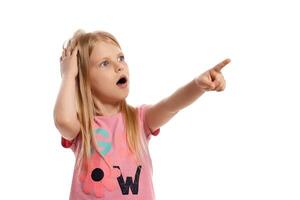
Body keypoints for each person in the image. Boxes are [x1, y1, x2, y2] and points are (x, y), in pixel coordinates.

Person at [53, 29, 231, 200]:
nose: (119, 66)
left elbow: (171, 105)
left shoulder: (139, 119)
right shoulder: (83, 126)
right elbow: (63, 120)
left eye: (121, 58)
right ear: (83, 78)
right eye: (105, 63)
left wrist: (197, 86)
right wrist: (68, 75)